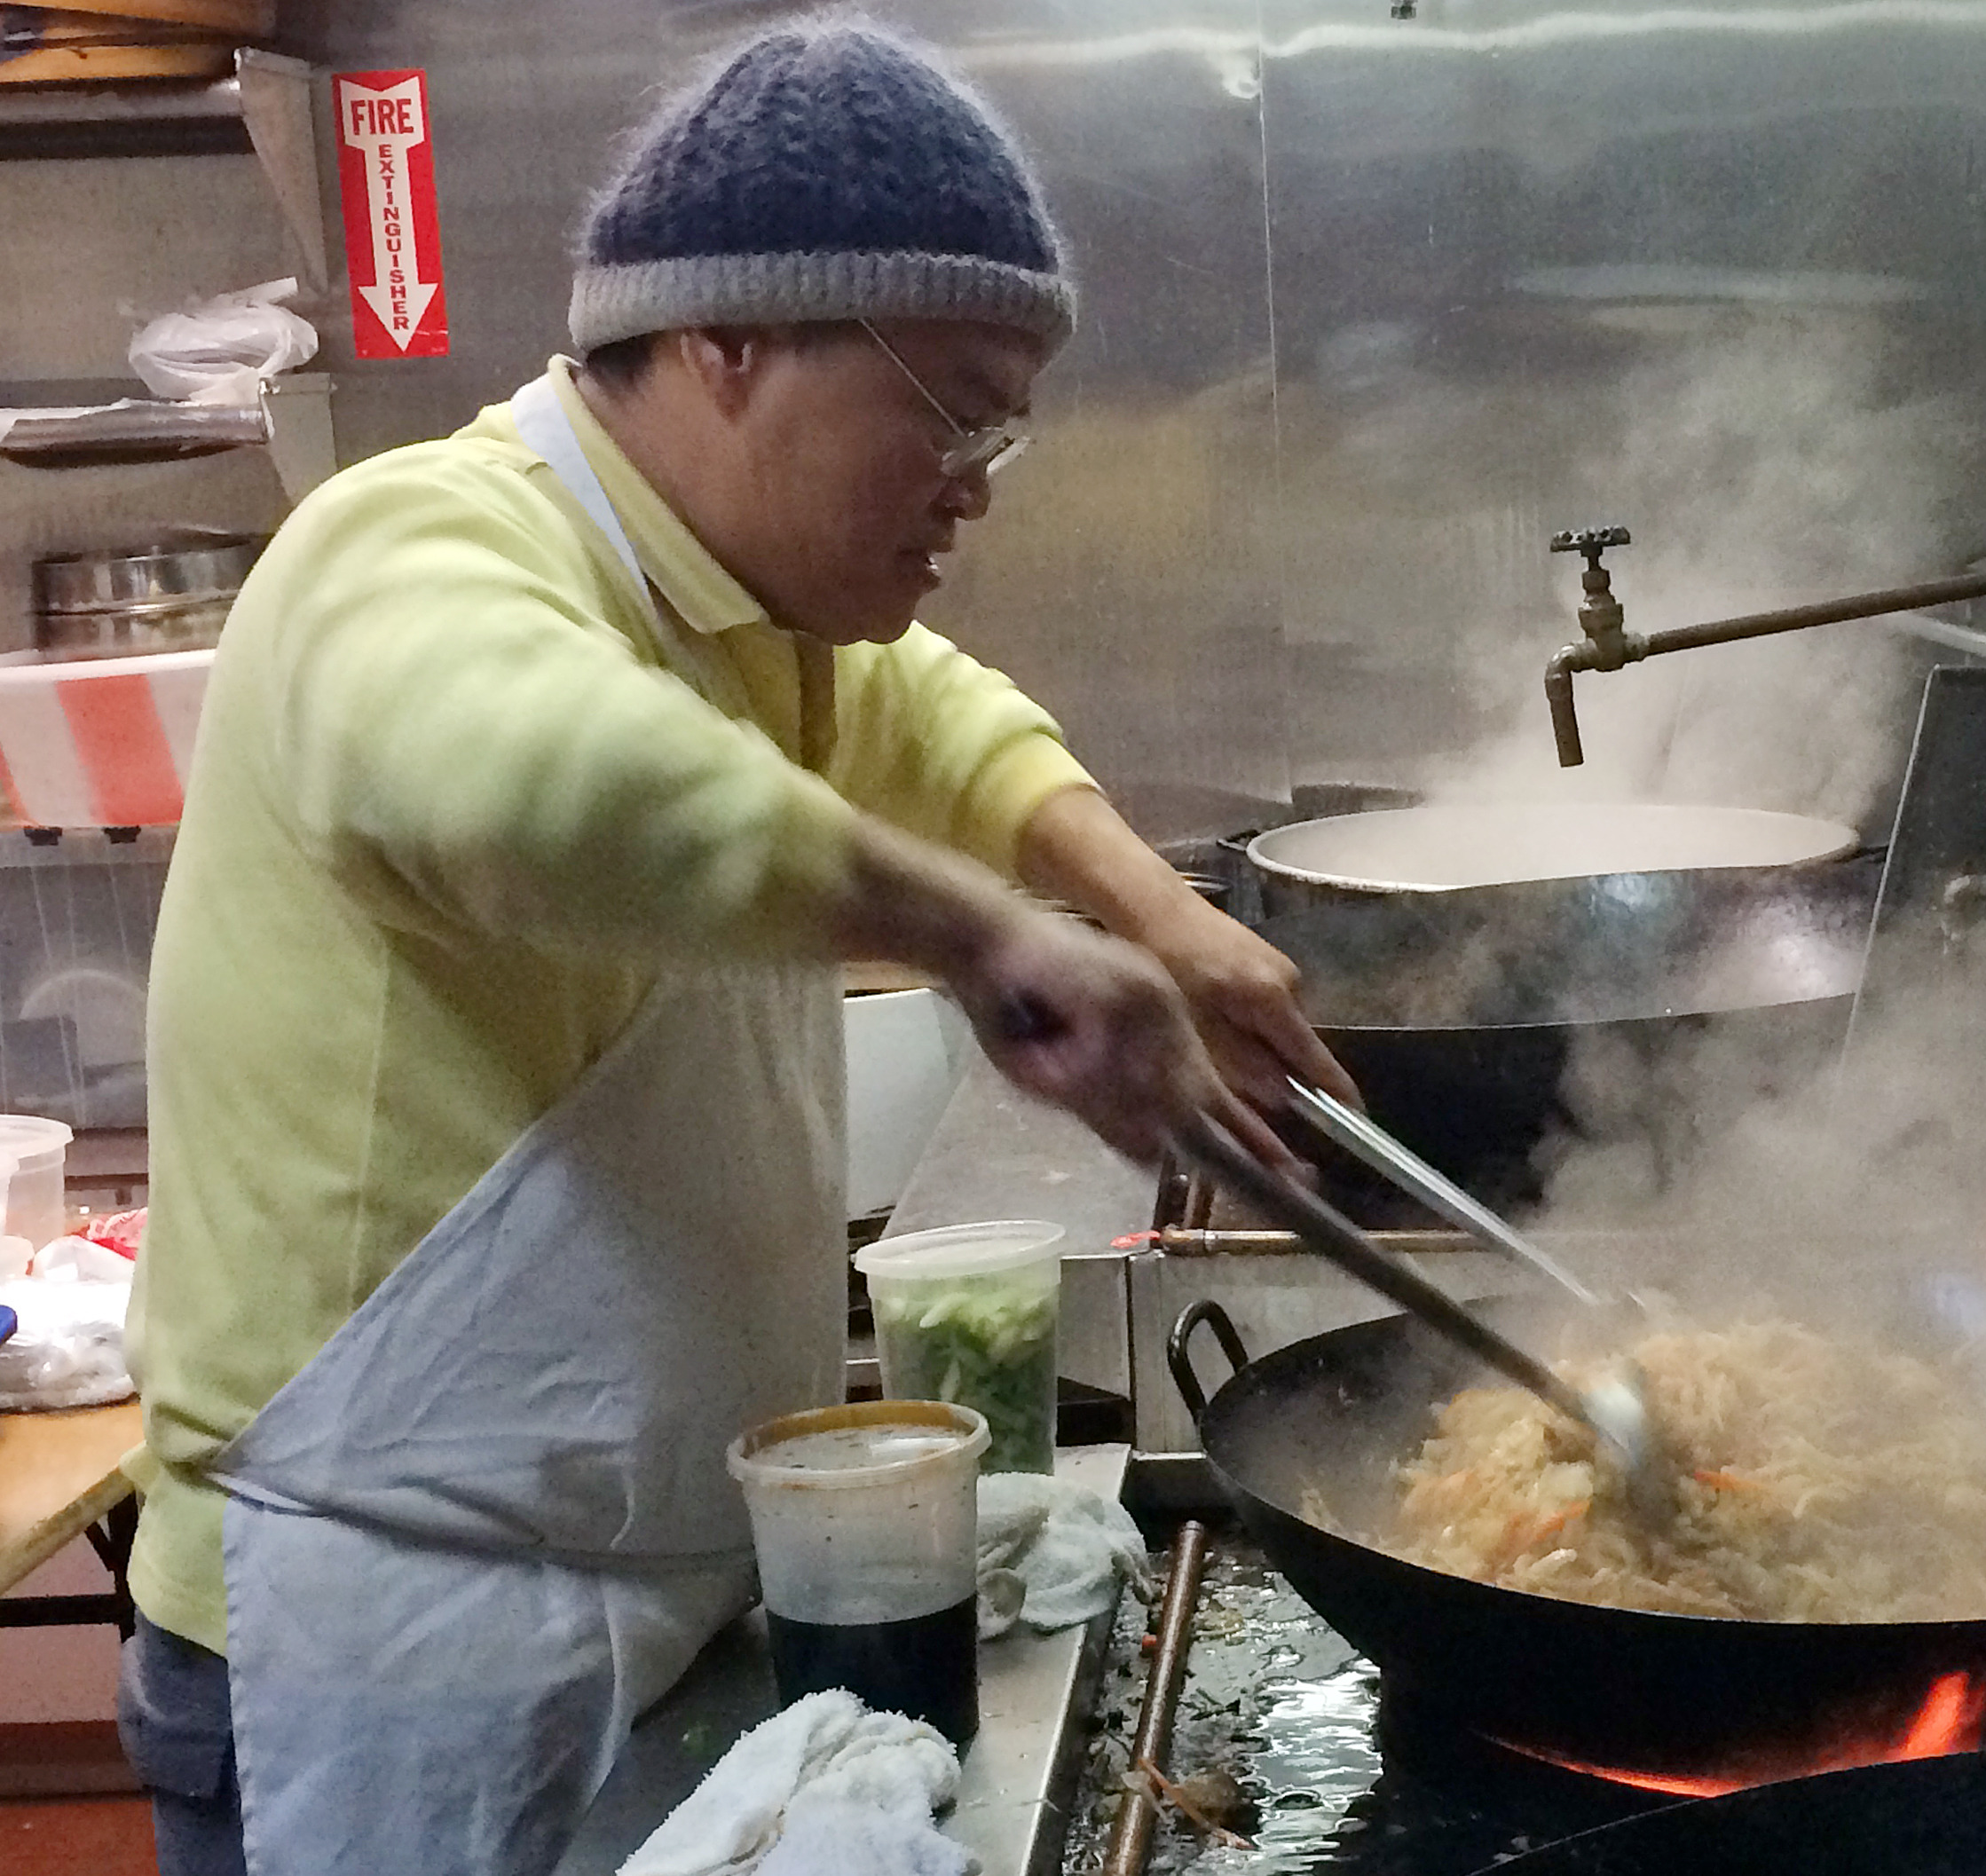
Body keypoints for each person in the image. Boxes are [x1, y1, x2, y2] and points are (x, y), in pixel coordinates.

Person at [114, 20, 1350, 1876]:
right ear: (729, 339)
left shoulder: (749, 613)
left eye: (1006, 421)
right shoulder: (411, 552)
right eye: (954, 406)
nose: (979, 480)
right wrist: (983, 939)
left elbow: (925, 711)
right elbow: (550, 781)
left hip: (622, 1587)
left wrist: (1167, 919)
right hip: (369, 1638)